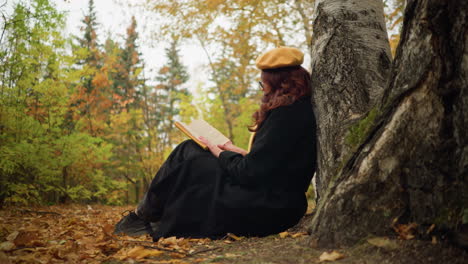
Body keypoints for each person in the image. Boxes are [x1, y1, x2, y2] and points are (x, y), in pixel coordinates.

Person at [114, 46, 317, 240]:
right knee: (191, 151)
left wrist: (219, 152)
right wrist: (233, 150)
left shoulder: (287, 115)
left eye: (263, 83)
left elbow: (249, 173)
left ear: (279, 83)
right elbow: (271, 163)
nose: (263, 90)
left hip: (269, 206)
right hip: (275, 199)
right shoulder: (296, 110)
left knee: (190, 154)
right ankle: (148, 216)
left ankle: (144, 216)